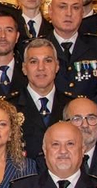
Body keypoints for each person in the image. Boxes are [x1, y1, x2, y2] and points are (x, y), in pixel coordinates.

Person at [10, 38, 74, 166]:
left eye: (48, 61)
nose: (41, 68)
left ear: (57, 66)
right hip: (22, 177)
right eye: (34, 62)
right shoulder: (8, 107)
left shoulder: (72, 105)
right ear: (24, 68)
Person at [46, 0, 97, 99]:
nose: (69, 13)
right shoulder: (39, 47)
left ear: (82, 13)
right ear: (50, 11)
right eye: (62, 7)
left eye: (75, 8)